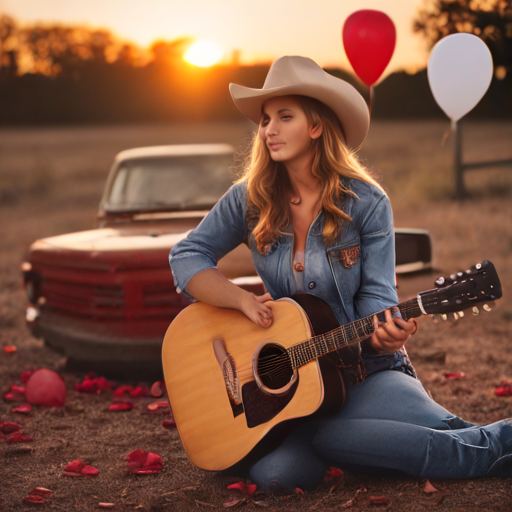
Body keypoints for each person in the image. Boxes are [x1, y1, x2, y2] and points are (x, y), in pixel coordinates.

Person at [169, 56, 512, 493]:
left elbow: (376, 296)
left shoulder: (367, 203)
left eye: (284, 116)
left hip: (367, 371)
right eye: (265, 119)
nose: (268, 129)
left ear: (316, 126)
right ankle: (358, 441)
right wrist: (240, 300)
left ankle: (489, 444)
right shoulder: (248, 199)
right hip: (295, 385)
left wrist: (383, 332)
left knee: (357, 435)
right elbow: (187, 256)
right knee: (280, 476)